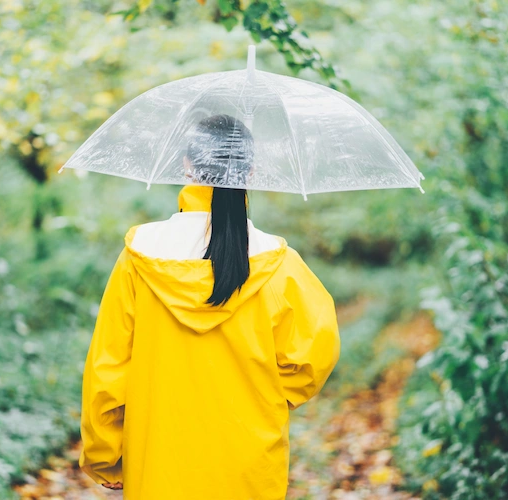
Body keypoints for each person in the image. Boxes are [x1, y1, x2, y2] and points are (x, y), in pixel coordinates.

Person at [79, 114, 340, 500]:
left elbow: (109, 367)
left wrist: (104, 453)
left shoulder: (139, 258)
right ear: (249, 171)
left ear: (187, 165)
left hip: (159, 459)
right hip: (250, 462)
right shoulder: (279, 263)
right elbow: (315, 355)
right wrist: (265, 392)